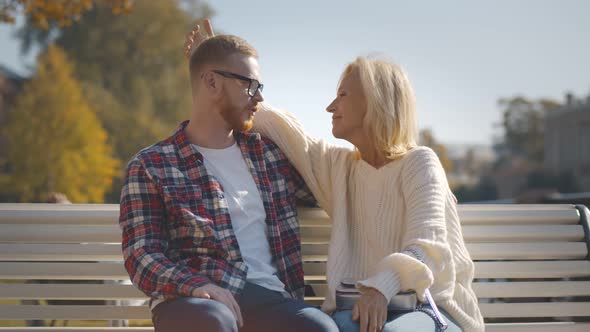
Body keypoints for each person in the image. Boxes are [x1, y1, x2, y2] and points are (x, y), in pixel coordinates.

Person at [185, 22, 484, 332]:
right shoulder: (339, 169)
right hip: (357, 312)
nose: (330, 106)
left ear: (375, 100)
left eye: (342, 95)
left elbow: (427, 244)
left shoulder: (420, 163)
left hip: (427, 308)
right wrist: (215, 73)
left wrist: (381, 287)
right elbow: (277, 125)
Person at [119, 21, 338, 332]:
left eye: (260, 87)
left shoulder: (269, 157)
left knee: (321, 329)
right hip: (194, 301)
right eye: (250, 85)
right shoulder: (151, 165)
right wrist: (194, 285)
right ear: (210, 83)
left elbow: (330, 180)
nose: (259, 98)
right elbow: (142, 254)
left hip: (271, 300)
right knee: (215, 320)